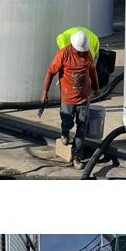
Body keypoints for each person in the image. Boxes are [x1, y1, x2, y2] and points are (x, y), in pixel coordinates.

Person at [41, 27, 99, 160]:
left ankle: (77, 156)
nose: (81, 53)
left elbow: (92, 71)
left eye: (83, 51)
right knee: (67, 121)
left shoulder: (87, 54)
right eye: (79, 51)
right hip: (68, 99)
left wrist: (96, 87)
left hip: (83, 98)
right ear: (72, 46)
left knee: (82, 128)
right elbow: (50, 72)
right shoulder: (63, 54)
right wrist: (45, 92)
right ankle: (65, 132)